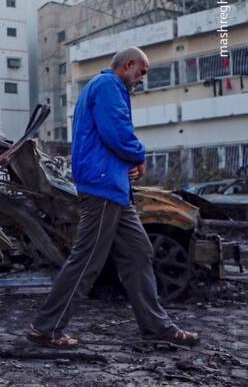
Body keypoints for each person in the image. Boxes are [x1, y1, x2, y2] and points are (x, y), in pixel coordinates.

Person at [28, 47, 200, 348]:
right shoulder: (108, 85)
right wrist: (138, 155)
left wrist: (128, 162)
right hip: (103, 187)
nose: (142, 78)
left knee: (139, 252)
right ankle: (47, 328)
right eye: (142, 72)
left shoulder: (104, 87)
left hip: (113, 188)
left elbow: (110, 135)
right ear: (128, 65)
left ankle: (156, 327)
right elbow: (116, 132)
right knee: (87, 259)